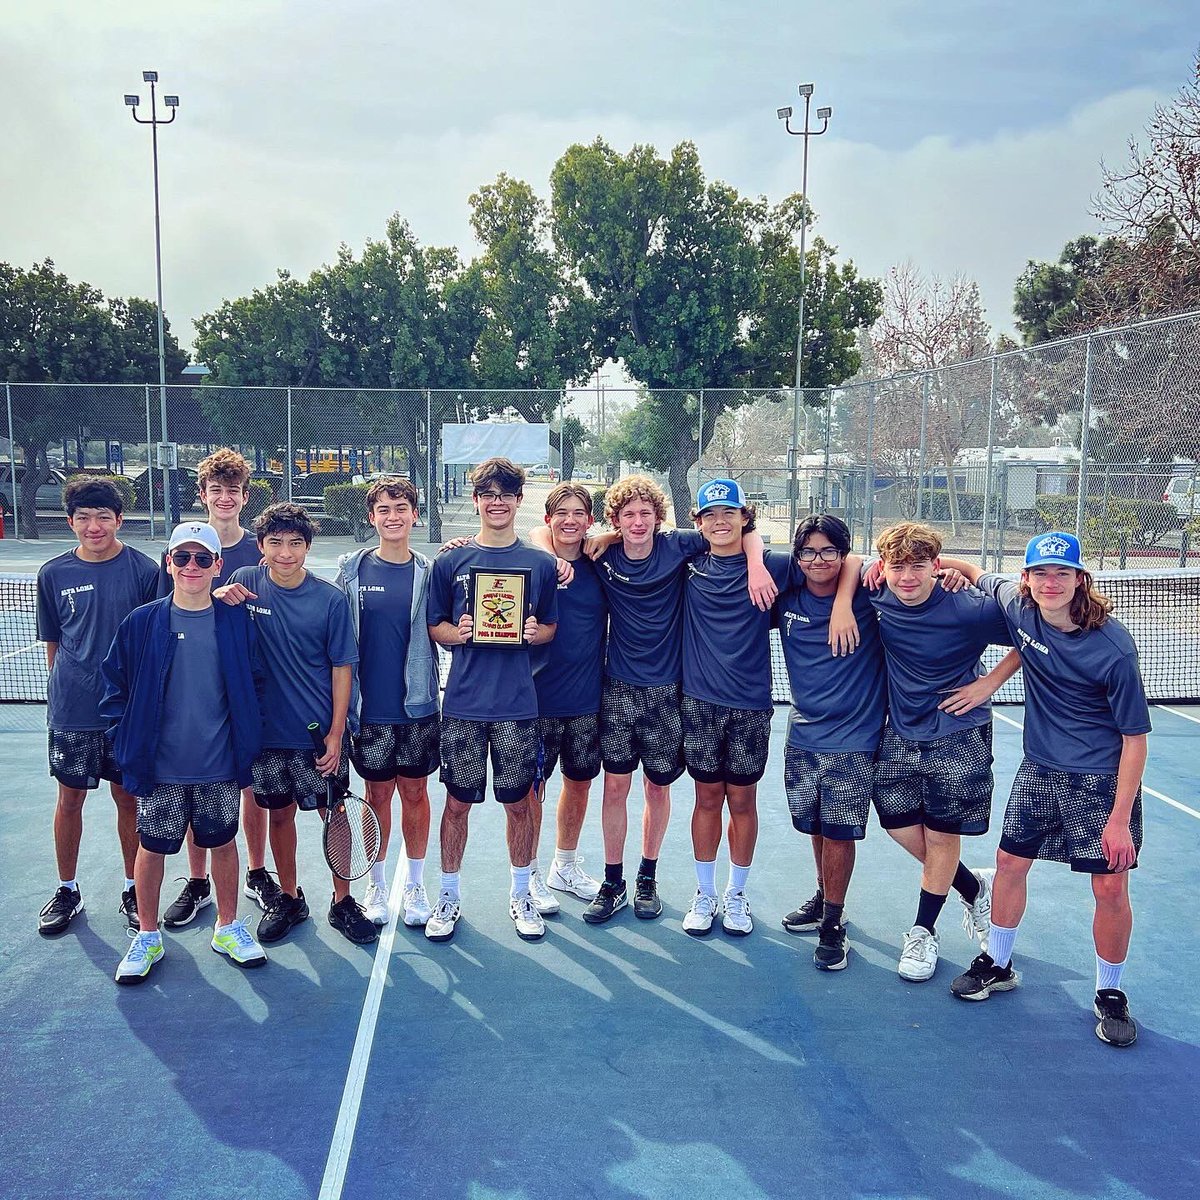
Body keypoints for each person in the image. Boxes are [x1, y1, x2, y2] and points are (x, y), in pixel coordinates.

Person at [939, 534, 1151, 1048]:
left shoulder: (1114, 649)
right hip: (1039, 771)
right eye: (1040, 573)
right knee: (1009, 864)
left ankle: (1110, 993)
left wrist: (1119, 819)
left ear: (1080, 579)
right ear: (1027, 579)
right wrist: (908, 567)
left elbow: (1135, 741)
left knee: (1110, 888)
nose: (1050, 582)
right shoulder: (1019, 605)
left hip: (1099, 783)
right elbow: (969, 570)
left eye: (1061, 573)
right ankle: (998, 962)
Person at [550, 475, 775, 925]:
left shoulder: (680, 547)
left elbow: (741, 530)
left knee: (658, 788)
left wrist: (756, 564)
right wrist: (606, 538)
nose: (637, 522)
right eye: (627, 515)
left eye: (645, 514)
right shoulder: (601, 553)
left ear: (659, 518)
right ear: (614, 520)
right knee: (615, 787)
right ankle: (613, 881)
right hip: (617, 690)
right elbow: (546, 536)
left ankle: (647, 877)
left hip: (669, 693)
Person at [101, 523, 267, 982]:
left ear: (218, 566)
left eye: (202, 558)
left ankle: (227, 927)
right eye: (182, 557)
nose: (191, 566)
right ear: (169, 563)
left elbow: (256, 682)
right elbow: (113, 686)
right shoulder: (141, 622)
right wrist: (125, 738)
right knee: (151, 849)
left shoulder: (237, 622)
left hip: (220, 766)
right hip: (159, 769)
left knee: (224, 844)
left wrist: (248, 737)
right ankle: (147, 935)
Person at [866, 521, 1022, 983]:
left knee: (940, 835)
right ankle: (973, 887)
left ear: (935, 566)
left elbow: (1032, 632)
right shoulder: (878, 593)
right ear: (883, 567)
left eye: (919, 566)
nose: (907, 577)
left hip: (959, 734)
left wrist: (988, 683)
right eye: (897, 566)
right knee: (896, 824)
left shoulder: (968, 606)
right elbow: (845, 566)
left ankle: (923, 931)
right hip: (900, 731)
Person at [217, 502, 376, 946]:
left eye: (295, 543)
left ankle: (343, 901)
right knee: (280, 816)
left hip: (317, 735)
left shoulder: (330, 599)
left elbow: (343, 668)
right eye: (275, 543)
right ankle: (289, 898)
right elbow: (212, 621)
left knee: (335, 816)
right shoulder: (244, 583)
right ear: (260, 546)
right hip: (265, 734)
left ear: (307, 547)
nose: (285, 553)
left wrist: (336, 733)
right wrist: (217, 596)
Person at [425, 457, 559, 943]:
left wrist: (535, 632)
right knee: (457, 804)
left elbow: (550, 627)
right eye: (488, 494)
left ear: (518, 500)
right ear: (477, 500)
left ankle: (521, 894)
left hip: (518, 708)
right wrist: (455, 633)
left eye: (505, 494)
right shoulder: (450, 562)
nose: (496, 502)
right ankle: (448, 895)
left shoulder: (540, 564)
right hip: (463, 705)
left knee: (519, 805)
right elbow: (435, 625)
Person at [155, 449, 277, 930]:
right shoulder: (182, 549)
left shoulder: (258, 551)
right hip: (197, 694)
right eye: (216, 490)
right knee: (196, 784)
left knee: (250, 786)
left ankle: (256, 871)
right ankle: (197, 879)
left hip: (248, 690)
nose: (225, 498)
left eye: (233, 491)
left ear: (245, 497)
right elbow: (169, 612)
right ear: (202, 495)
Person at [35, 477, 159, 937]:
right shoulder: (53, 574)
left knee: (128, 799)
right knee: (69, 800)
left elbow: (152, 643)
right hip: (72, 712)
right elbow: (54, 644)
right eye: (84, 517)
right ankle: (67, 889)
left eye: (103, 517)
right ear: (70, 522)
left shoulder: (145, 571)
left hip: (125, 714)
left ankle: (132, 888)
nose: (94, 526)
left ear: (119, 520)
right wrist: (65, 692)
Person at [679, 480, 795, 937]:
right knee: (707, 799)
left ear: (746, 517)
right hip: (699, 705)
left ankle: (736, 894)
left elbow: (845, 564)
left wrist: (757, 562)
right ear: (698, 523)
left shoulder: (775, 566)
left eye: (729, 512)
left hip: (750, 707)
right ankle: (705, 892)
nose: (720, 521)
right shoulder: (688, 564)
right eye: (710, 515)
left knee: (743, 801)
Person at [776, 515, 885, 970]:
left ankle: (833, 924)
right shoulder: (785, 598)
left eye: (828, 551)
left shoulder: (870, 595)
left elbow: (898, 565)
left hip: (854, 739)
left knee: (839, 832)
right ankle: (824, 896)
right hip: (803, 735)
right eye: (808, 551)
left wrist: (844, 601)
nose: (817, 560)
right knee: (818, 827)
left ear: (843, 554)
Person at [335, 476, 440, 928]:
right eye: (384, 509)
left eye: (401, 508)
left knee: (415, 793)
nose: (393, 517)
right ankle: (376, 883)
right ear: (371, 517)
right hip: (368, 710)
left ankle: (414, 884)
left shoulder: (431, 572)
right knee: (377, 795)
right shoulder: (351, 571)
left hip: (417, 707)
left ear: (415, 515)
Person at [526, 482, 609, 913]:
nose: (570, 520)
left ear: (589, 520)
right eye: (562, 513)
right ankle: (529, 873)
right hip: (536, 702)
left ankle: (565, 865)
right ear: (548, 520)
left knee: (579, 784)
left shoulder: (601, 565)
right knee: (532, 791)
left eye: (579, 513)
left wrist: (609, 536)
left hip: (586, 701)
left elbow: (644, 533)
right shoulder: (533, 564)